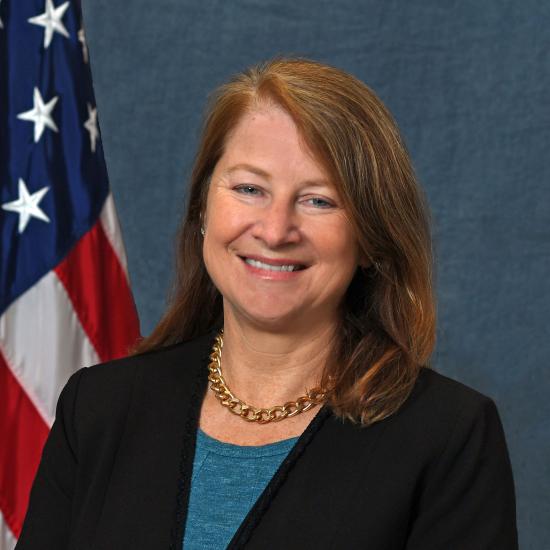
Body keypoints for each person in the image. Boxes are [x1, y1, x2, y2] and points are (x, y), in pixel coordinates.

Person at [16, 58, 518, 549]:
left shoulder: (448, 437)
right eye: (250, 188)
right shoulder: (101, 407)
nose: (276, 231)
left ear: (370, 238)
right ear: (203, 210)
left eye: (319, 199)